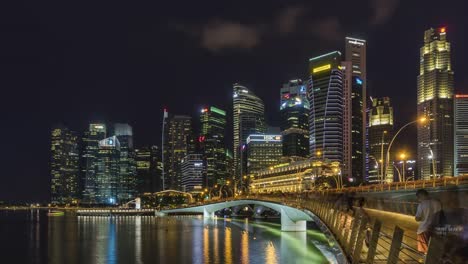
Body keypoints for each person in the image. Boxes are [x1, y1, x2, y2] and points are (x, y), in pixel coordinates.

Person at [415, 189, 442, 254]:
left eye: (418, 197)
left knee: (425, 251)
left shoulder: (421, 204)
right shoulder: (437, 203)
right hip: (436, 229)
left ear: (421, 196)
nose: (418, 199)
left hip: (424, 230)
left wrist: (420, 218)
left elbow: (417, 218)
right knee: (434, 250)